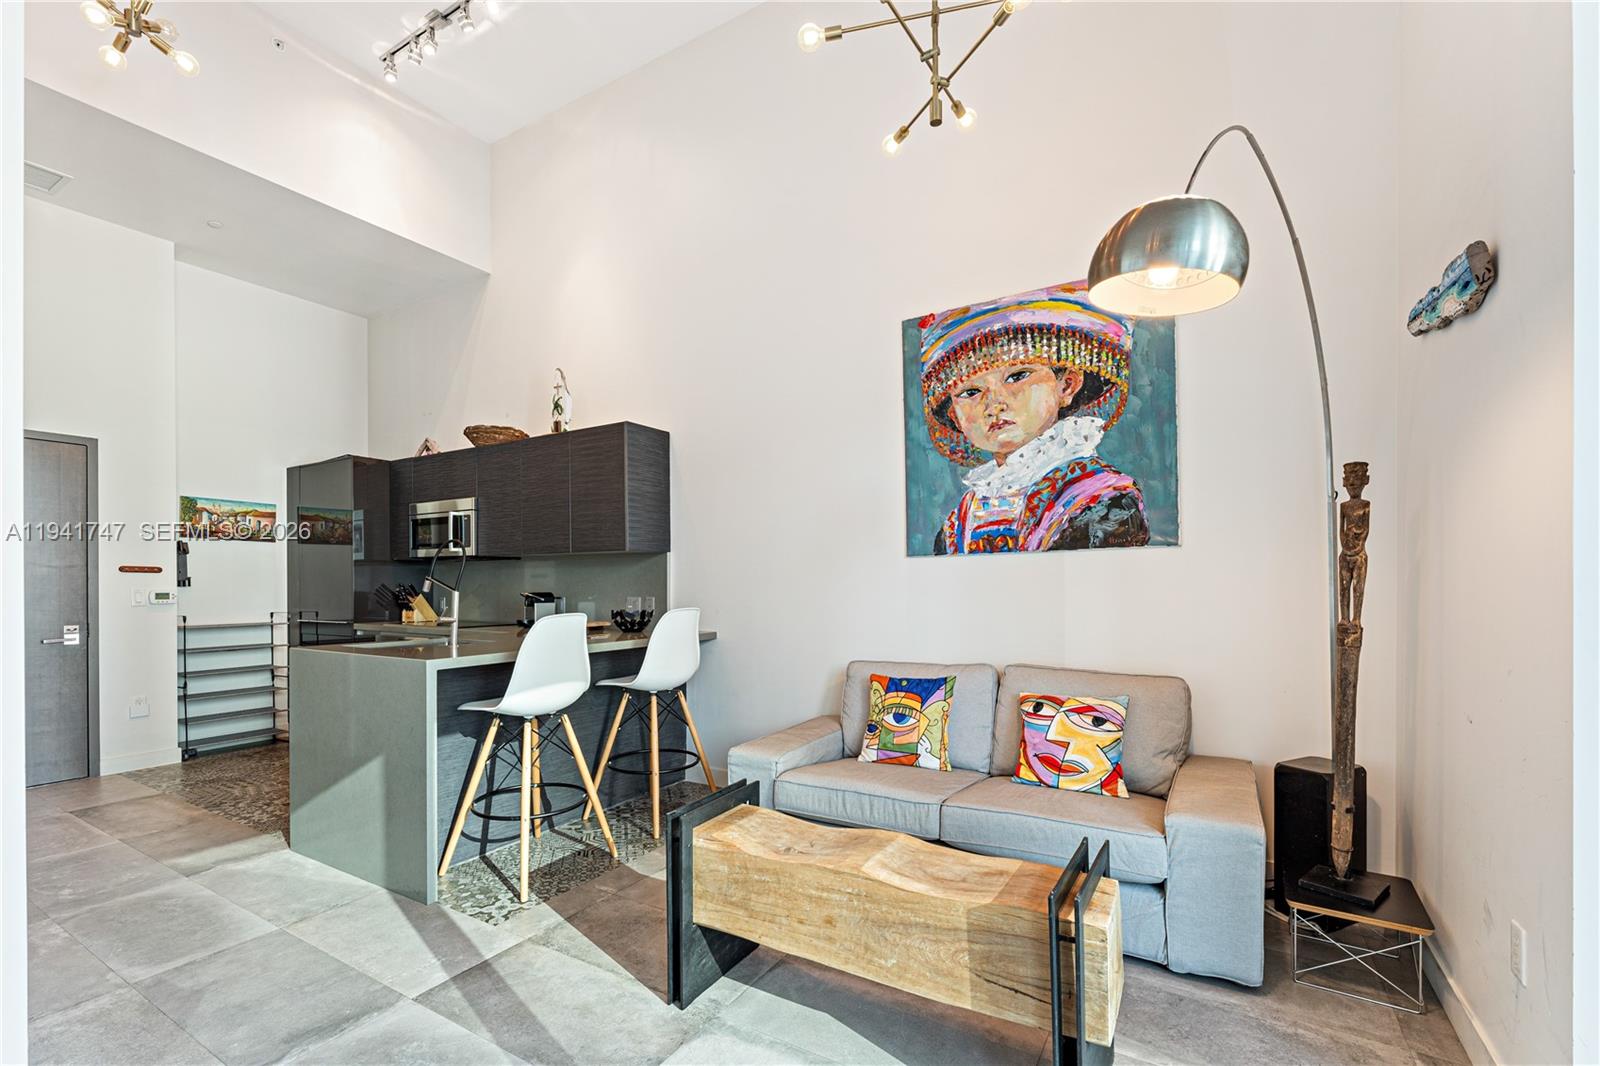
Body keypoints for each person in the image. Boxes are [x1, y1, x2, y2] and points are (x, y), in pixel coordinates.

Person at [918, 282, 1150, 554]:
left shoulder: (1103, 499)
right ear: (955, 418)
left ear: (1067, 386)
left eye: (1017, 376)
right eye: (971, 392)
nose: (994, 405)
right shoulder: (957, 523)